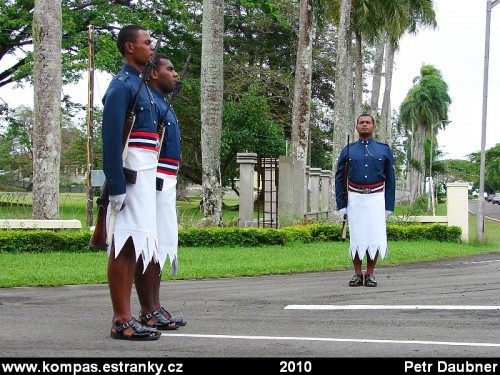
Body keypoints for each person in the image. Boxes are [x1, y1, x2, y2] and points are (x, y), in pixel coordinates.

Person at [102, 25, 175, 341]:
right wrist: (116, 186)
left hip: (146, 179)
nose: (152, 47)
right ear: (130, 47)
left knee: (138, 245)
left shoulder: (143, 88)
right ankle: (121, 319)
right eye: (147, 42)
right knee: (123, 245)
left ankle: (135, 314)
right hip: (129, 179)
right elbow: (110, 140)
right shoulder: (122, 86)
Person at [144, 53, 186, 326]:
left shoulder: (162, 103)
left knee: (160, 247)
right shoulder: (150, 102)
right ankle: (149, 310)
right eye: (169, 69)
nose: (175, 74)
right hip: (156, 181)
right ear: (154, 74)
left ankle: (155, 306)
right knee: (150, 248)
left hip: (166, 180)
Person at [334, 113, 395, 287]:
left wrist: (388, 205)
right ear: (356, 127)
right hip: (355, 198)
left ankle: (369, 274)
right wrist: (342, 205)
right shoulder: (348, 150)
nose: (364, 125)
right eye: (361, 122)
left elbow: (391, 179)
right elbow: (339, 178)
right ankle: (356, 274)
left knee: (374, 236)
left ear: (374, 127)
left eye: (368, 122)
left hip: (376, 198)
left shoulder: (384, 150)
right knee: (357, 236)